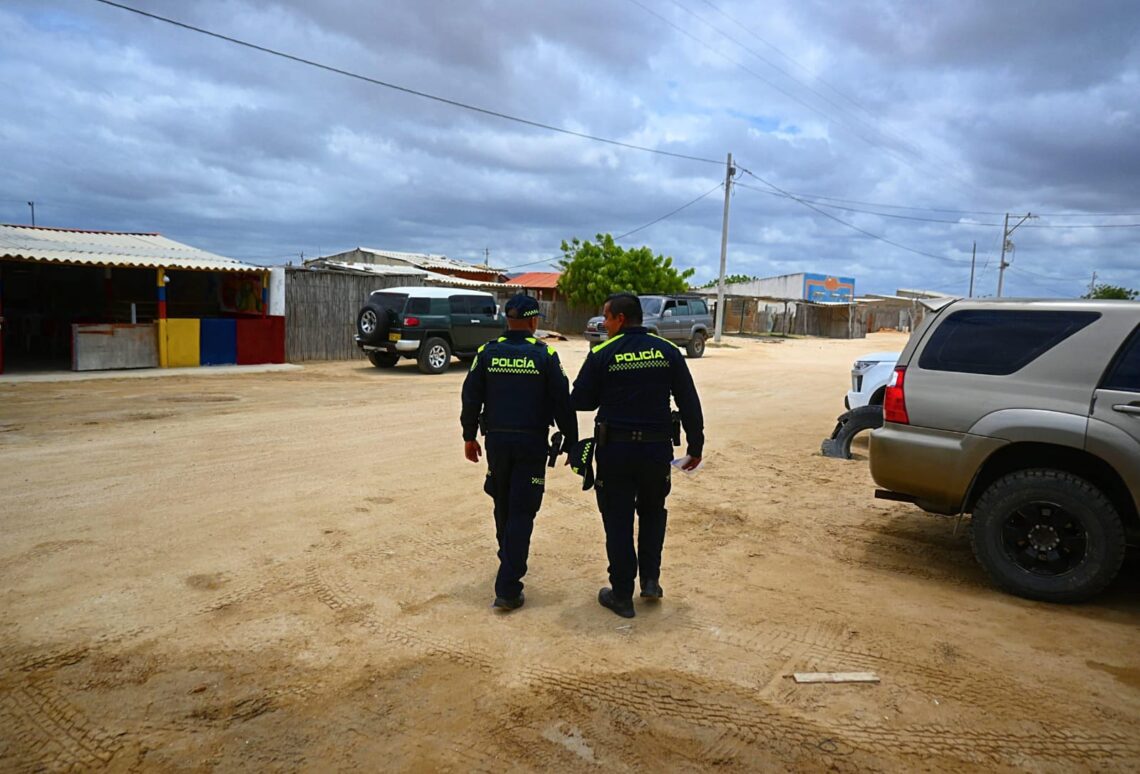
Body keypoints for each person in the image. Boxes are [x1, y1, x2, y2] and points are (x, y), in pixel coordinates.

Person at [571, 292, 704, 618]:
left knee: (617, 519)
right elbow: (688, 400)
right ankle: (650, 581)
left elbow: (581, 400)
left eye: (606, 317)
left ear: (620, 318)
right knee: (653, 512)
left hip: (615, 451)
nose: (603, 323)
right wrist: (695, 447)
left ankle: (621, 594)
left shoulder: (602, 352)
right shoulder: (667, 351)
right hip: (655, 452)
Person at [461, 294, 577, 612]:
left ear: (507, 320)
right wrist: (572, 441)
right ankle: (508, 588)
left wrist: (469, 436)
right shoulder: (545, 354)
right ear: (533, 321)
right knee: (523, 511)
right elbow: (562, 402)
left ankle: (508, 556)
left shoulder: (487, 352)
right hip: (531, 443)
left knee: (502, 502)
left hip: (497, 442)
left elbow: (470, 397)